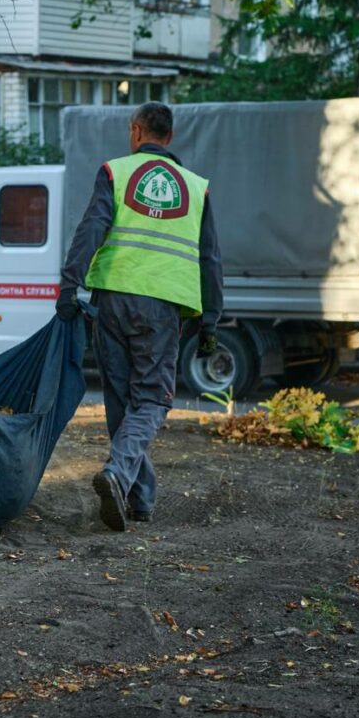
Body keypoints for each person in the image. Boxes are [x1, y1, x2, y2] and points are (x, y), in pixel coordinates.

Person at [56, 102, 223, 530]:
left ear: (136, 131)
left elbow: (90, 228)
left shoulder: (116, 172)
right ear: (170, 136)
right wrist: (210, 322)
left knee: (122, 402)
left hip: (112, 300)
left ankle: (139, 499)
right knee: (150, 399)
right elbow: (210, 261)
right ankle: (119, 475)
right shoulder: (195, 186)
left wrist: (69, 285)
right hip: (163, 307)